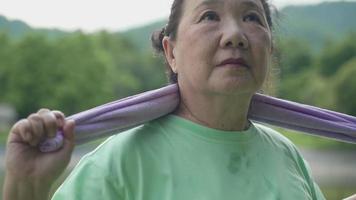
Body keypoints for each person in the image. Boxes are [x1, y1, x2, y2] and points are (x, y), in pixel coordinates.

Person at [5, 0, 345, 199]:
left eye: (252, 17)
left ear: (269, 49)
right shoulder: (120, 163)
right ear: (171, 52)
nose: (235, 35)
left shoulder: (287, 156)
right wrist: (24, 187)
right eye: (209, 15)